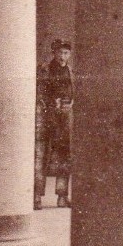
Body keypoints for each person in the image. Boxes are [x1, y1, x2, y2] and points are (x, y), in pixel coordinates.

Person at [35, 39, 73, 210]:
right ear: (54, 53)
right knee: (40, 156)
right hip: (46, 118)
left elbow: (74, 92)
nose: (62, 56)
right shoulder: (45, 70)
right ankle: (36, 197)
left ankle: (62, 196)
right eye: (59, 52)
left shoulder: (71, 72)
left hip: (65, 118)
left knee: (64, 156)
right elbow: (39, 93)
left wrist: (70, 102)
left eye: (66, 53)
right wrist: (51, 103)